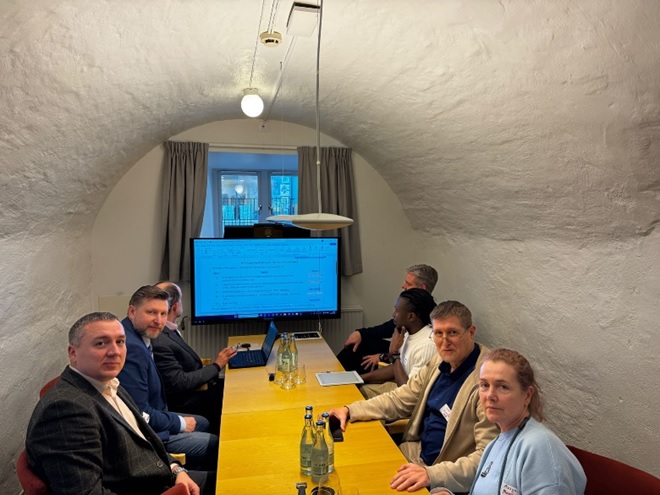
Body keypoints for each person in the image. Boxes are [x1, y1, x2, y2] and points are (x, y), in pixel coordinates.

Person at [25, 312, 212, 495]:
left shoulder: (108, 382)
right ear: (73, 353)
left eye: (120, 342)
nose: (115, 351)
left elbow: (146, 439)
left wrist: (177, 470)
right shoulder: (65, 411)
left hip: (164, 476)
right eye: (101, 343)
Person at [328, 300, 499, 493]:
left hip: (444, 475)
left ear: (471, 332)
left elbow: (487, 459)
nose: (445, 342)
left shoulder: (487, 383)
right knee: (351, 469)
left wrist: (431, 474)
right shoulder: (440, 361)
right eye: (438, 333)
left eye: (452, 332)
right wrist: (350, 410)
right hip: (416, 454)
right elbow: (401, 398)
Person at [434, 348, 586, 495]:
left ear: (527, 395)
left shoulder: (540, 448)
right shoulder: (496, 443)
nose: (490, 395)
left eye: (503, 387)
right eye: (484, 385)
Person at [117, 285, 218, 471]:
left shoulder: (137, 335)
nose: (158, 320)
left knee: (203, 422)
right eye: (151, 312)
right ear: (132, 311)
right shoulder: (132, 349)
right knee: (214, 443)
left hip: (156, 416)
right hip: (148, 436)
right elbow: (140, 414)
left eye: (163, 314)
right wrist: (180, 423)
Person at [152, 281, 237, 434]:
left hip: (199, 389)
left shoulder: (169, 330)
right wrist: (217, 365)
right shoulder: (160, 341)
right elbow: (180, 382)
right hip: (189, 401)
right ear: (176, 306)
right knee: (235, 399)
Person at [338, 264, 438, 375]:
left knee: (359, 358)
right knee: (359, 344)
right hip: (398, 351)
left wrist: (383, 356)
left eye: (408, 284)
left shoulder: (432, 321)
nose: (403, 286)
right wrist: (361, 333)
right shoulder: (408, 309)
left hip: (401, 357)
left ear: (422, 288)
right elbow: (388, 328)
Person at [359, 288, 437, 399]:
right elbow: (396, 368)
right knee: (362, 389)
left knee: (362, 396)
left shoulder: (426, 345)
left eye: (396, 311)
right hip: (401, 386)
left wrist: (395, 354)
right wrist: (359, 378)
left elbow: (409, 394)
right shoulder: (408, 333)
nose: (393, 314)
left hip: (411, 399)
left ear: (411, 317)